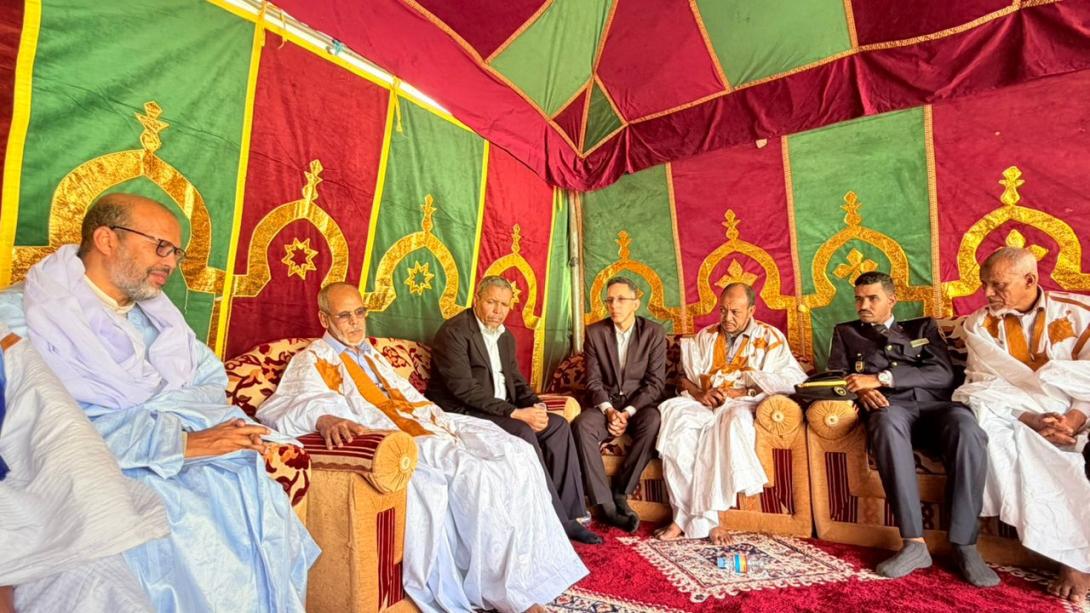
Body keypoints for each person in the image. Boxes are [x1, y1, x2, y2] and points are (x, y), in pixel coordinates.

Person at [0, 193, 319, 611]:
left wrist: (192, 434)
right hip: (86, 473)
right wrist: (175, 443)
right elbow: (40, 423)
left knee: (248, 489)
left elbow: (208, 382)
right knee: (177, 520)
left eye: (176, 253)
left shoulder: (159, 318)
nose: (170, 263)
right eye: (161, 247)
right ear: (106, 239)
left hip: (189, 456)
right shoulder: (20, 316)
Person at [256, 283, 588, 613]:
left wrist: (439, 421)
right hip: (398, 436)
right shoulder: (314, 358)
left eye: (360, 312)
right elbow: (286, 404)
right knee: (474, 474)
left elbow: (408, 396)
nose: (356, 322)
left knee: (516, 451)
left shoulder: (371, 353)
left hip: (430, 420)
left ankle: (533, 569)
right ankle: (506, 592)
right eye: (345, 316)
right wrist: (324, 418)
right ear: (324, 319)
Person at [827, 271, 996, 587]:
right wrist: (860, 393)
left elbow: (942, 374)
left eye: (872, 298)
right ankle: (914, 544)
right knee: (885, 422)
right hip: (891, 410)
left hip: (936, 408)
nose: (863, 305)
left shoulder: (922, 327)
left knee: (967, 427)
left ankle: (965, 545)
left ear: (891, 300)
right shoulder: (846, 333)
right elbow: (835, 378)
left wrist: (880, 379)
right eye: (859, 299)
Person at [953, 247, 1090, 603]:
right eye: (984, 284)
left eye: (998, 285)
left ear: (1030, 280)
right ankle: (1071, 560)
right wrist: (1031, 418)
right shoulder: (979, 324)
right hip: (1018, 415)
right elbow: (982, 385)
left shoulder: (1080, 313)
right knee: (1003, 435)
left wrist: (1073, 419)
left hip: (1081, 410)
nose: (987, 293)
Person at [0, 323, 168, 613]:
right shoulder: (33, 313)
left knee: (101, 580)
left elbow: (61, 428)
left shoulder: (9, 343)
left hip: (32, 495)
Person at [427, 276, 599, 544]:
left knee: (557, 426)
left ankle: (572, 513)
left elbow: (515, 381)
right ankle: (554, 519)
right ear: (477, 300)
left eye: (504, 305)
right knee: (522, 431)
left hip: (497, 410)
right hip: (462, 412)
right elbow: (464, 390)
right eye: (491, 302)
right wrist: (515, 413)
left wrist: (537, 406)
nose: (498, 310)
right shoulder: (454, 333)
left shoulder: (504, 336)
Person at [655, 283, 806, 544]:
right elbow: (684, 379)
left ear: (751, 310)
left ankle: (706, 521)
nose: (727, 318)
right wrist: (701, 394)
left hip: (742, 403)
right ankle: (683, 515)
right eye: (723, 310)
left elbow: (793, 379)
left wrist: (744, 388)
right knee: (677, 424)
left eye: (735, 312)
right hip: (703, 402)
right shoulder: (705, 336)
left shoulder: (770, 337)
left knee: (727, 425)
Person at [572, 277, 666, 533]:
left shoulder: (654, 333)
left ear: (636, 303)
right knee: (582, 425)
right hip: (607, 404)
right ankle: (605, 505)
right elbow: (593, 381)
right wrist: (610, 411)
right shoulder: (595, 333)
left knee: (654, 420)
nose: (614, 305)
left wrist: (627, 412)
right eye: (610, 300)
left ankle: (621, 493)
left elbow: (655, 383)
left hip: (639, 406)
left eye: (621, 299)